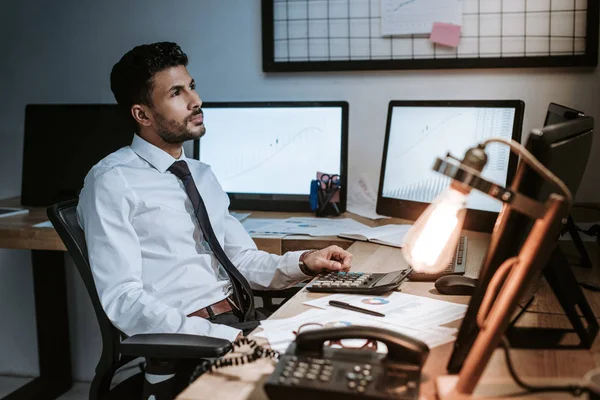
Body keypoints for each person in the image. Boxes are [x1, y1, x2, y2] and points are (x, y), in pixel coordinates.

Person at [77, 42, 353, 343]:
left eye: (191, 86)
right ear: (142, 115)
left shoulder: (200, 174)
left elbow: (241, 260)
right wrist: (221, 337)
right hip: (192, 343)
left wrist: (304, 261)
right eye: (176, 93)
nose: (196, 100)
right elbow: (124, 300)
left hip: (241, 321)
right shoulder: (111, 182)